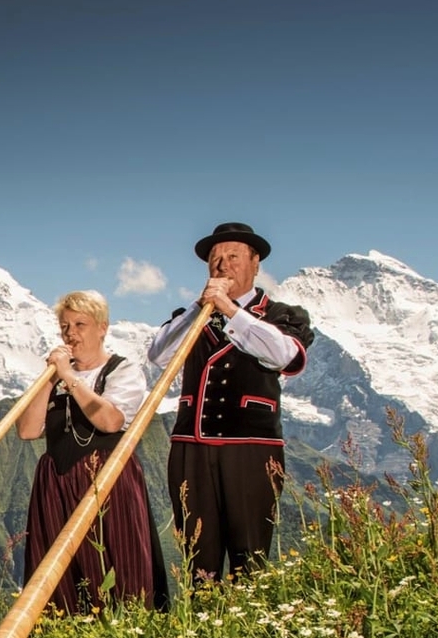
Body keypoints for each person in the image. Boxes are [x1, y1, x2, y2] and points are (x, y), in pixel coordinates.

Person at [145, 221, 315, 582]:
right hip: (191, 447)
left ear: (256, 263)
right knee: (198, 554)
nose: (222, 265)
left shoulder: (282, 315)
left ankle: (248, 628)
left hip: (252, 448)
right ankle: (204, 626)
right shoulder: (190, 316)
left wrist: (230, 309)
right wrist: (201, 307)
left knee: (249, 554)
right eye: (215, 258)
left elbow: (284, 356)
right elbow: (159, 354)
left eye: (233, 256)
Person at [18, 290, 167, 614]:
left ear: (102, 327)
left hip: (108, 480)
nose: (71, 334)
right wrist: (48, 381)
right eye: (65, 326)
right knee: (59, 576)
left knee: (118, 560)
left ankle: (129, 637)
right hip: (56, 482)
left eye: (80, 324)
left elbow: (111, 421)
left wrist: (69, 377)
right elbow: (28, 430)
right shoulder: (55, 377)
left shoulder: (121, 371)